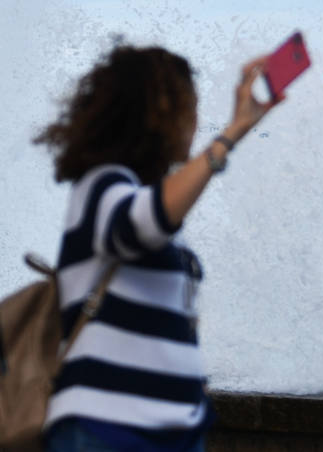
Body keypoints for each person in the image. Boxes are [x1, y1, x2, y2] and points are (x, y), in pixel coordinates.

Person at [37, 44, 282, 452]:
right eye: (191, 108)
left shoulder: (136, 195)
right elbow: (139, 227)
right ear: (158, 116)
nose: (196, 122)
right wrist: (231, 135)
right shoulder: (99, 187)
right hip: (105, 429)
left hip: (172, 432)